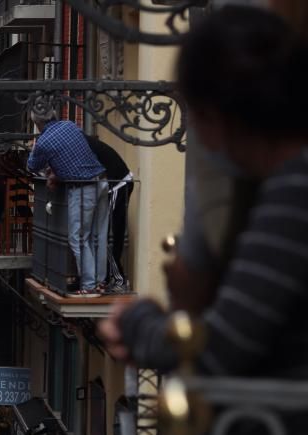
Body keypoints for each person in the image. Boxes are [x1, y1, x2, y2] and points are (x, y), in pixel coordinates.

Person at [100, 6, 308, 383]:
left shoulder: (294, 194)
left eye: (193, 116)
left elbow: (219, 346)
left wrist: (138, 324)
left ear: (216, 116)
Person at [27, 107, 108, 296]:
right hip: (103, 181)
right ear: (53, 115)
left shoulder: (44, 142)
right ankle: (100, 281)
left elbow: (32, 166)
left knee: (78, 237)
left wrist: (34, 147)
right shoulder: (71, 125)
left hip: (83, 188)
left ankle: (89, 285)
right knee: (99, 235)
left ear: (38, 124)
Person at [85, 136, 133, 293]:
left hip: (118, 185)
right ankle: (107, 278)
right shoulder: (84, 141)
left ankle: (118, 280)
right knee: (110, 234)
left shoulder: (80, 144)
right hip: (119, 182)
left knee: (109, 235)